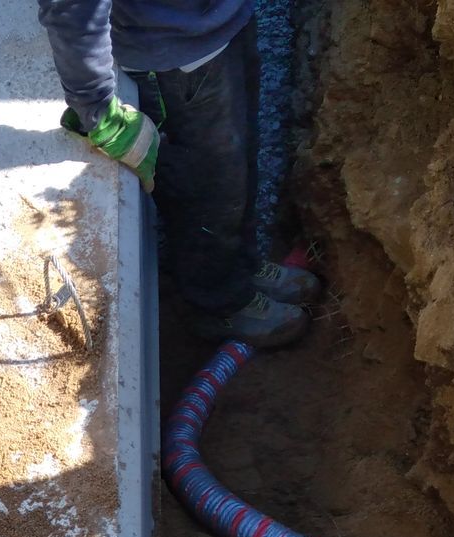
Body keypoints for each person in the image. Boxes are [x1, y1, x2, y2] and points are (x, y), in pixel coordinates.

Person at [37, 0, 315, 348]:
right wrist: (94, 104)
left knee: (237, 169)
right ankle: (218, 302)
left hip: (227, 23)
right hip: (172, 56)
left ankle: (240, 267)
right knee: (206, 187)